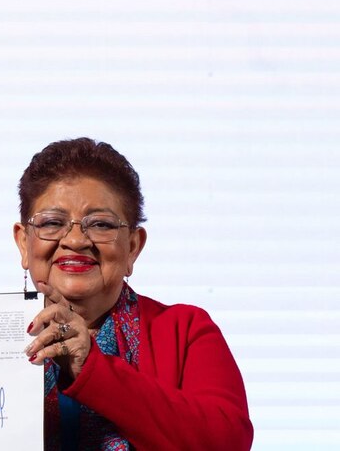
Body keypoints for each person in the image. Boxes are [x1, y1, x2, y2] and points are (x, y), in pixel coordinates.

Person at [14, 138, 252, 449]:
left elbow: (228, 442)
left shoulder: (185, 330)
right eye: (52, 222)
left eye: (100, 224)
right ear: (24, 243)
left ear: (132, 247)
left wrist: (94, 370)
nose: (75, 240)